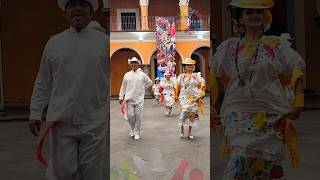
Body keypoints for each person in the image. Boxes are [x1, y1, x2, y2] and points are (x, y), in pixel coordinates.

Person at [212, 0, 305, 179]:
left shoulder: (275, 45)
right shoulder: (230, 46)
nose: (254, 15)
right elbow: (213, 74)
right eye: (248, 12)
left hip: (271, 112)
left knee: (268, 164)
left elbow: (296, 69)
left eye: (258, 12)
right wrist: (211, 106)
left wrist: (299, 101)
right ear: (241, 19)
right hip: (237, 112)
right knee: (240, 157)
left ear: (264, 17)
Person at [28, 0, 109, 180]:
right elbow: (43, 80)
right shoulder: (54, 43)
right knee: (62, 173)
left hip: (94, 120)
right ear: (65, 13)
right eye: (72, 5)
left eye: (82, 5)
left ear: (91, 11)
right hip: (60, 121)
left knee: (92, 174)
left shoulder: (104, 43)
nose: (77, 9)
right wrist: (35, 111)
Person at [119, 57, 153, 140]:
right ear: (130, 65)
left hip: (139, 99)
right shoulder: (127, 75)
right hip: (129, 99)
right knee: (130, 116)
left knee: (138, 117)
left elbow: (150, 83)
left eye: (135, 63)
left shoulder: (142, 74)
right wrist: (121, 96)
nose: (134, 64)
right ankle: (133, 129)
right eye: (132, 63)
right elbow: (123, 86)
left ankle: (136, 132)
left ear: (138, 64)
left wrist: (143, 88)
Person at [174, 58, 206, 139]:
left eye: (191, 65)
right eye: (187, 65)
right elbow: (176, 85)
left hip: (194, 97)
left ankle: (189, 132)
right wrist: (175, 92)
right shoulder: (181, 76)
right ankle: (181, 130)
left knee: (192, 114)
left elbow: (202, 84)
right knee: (184, 111)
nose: (189, 66)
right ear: (184, 67)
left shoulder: (196, 76)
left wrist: (202, 92)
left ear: (193, 67)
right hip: (184, 97)